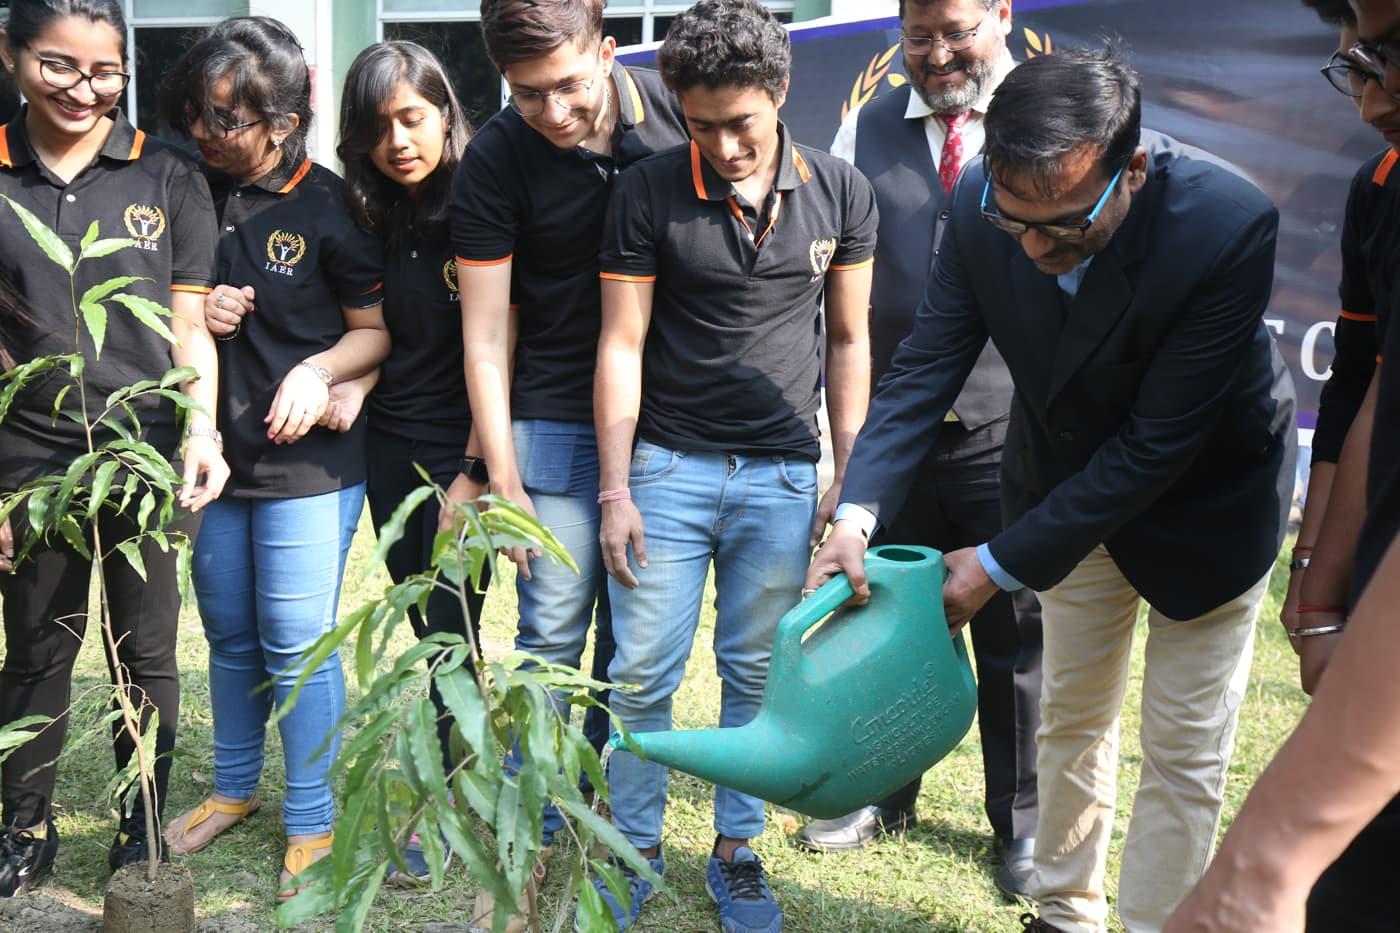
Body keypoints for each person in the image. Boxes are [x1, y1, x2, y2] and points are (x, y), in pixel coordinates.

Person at [806, 46, 1296, 933]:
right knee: (1072, 712)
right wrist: (855, 513)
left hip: (1207, 507)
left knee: (1182, 748)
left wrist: (995, 561)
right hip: (1063, 487)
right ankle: (1066, 909)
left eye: (1063, 228)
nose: (1033, 247)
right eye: (1013, 220)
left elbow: (1156, 448)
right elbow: (922, 372)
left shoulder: (1225, 224)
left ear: (1132, 171)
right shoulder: (976, 204)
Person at [592, 1, 878, 928]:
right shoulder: (642, 192)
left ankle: (737, 847)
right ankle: (631, 845)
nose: (721, 144)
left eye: (740, 123)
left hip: (788, 477)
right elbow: (622, 343)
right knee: (642, 674)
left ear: (782, 93)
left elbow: (848, 340)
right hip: (667, 470)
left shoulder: (842, 190)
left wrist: (847, 475)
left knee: (759, 674)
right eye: (700, 124)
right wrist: (616, 486)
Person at [797, 0, 1043, 899]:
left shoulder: (1042, 114)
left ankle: (1021, 825)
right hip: (898, 434)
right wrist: (849, 446)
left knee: (1016, 631)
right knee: (888, 615)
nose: (939, 56)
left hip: (1010, 428)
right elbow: (843, 295)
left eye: (957, 32)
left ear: (1002, 14)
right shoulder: (864, 128)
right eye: (918, 38)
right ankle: (881, 789)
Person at [154, 16, 389, 900]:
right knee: (230, 636)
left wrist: (321, 368)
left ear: (284, 123)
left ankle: (313, 820)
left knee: (297, 644)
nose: (210, 134)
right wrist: (199, 308)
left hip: (310, 465)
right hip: (211, 455)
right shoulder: (186, 186)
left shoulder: (331, 205)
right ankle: (233, 788)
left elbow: (378, 332)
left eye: (230, 120)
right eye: (202, 115)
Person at [449, 0, 688, 840]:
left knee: (639, 644)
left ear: (610, 51)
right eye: (526, 94)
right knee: (549, 630)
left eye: (570, 87)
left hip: (667, 422)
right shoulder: (495, 155)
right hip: (550, 413)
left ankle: (613, 804)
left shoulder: (674, 111)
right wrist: (500, 478)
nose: (553, 112)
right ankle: (532, 808)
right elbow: (482, 334)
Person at [0, 0, 224, 892]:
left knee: (147, 649)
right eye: (59, 66)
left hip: (146, 453)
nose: (83, 91)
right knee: (36, 647)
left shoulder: (166, 172)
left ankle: (140, 823)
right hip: (28, 457)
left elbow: (188, 325)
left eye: (104, 73)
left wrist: (201, 430)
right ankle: (24, 825)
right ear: (12, 55)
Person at [336, 39, 484, 886]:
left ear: (444, 113)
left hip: (464, 451)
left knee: (455, 624)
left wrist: (476, 466)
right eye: (378, 126)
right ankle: (443, 783)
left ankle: (447, 794)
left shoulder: (481, 205)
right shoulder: (366, 216)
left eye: (412, 117)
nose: (398, 141)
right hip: (391, 447)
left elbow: (503, 347)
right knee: (425, 622)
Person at [1283, 0, 1394, 695]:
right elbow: (1357, 381)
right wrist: (1313, 573)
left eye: (1387, 64)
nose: (1371, 103)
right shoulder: (1378, 190)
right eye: (1358, 70)